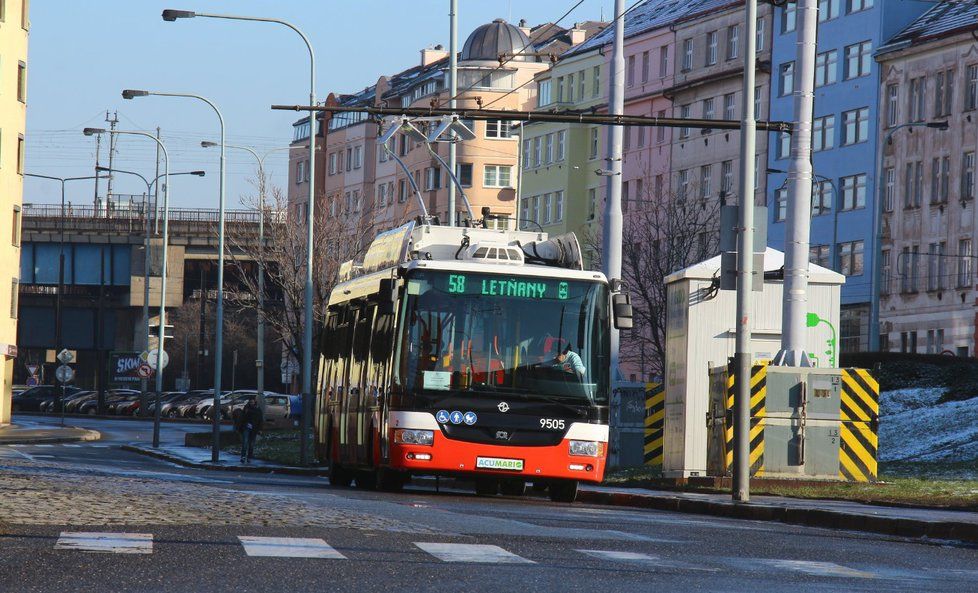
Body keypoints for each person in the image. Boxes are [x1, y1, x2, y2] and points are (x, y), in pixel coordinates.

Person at [236, 397, 264, 463]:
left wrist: (260, 429)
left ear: (255, 402)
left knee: (251, 444)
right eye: (250, 402)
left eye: (253, 402)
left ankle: (249, 457)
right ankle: (243, 457)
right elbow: (242, 418)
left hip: (254, 428)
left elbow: (260, 420)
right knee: (245, 443)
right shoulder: (246, 409)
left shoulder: (258, 410)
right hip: (246, 427)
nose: (251, 403)